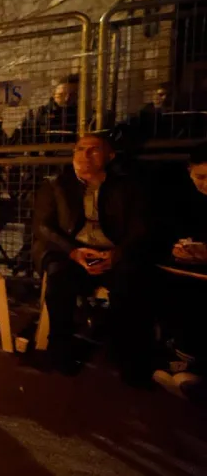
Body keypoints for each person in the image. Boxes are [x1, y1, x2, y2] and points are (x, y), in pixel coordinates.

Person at [32, 134, 156, 385]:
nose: (84, 156)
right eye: (79, 149)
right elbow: (43, 226)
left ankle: (127, 357)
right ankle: (59, 350)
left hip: (111, 254)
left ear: (110, 157)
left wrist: (116, 254)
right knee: (58, 282)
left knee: (132, 282)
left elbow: (140, 228)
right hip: (72, 253)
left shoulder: (126, 187)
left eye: (93, 150)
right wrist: (73, 251)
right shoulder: (56, 185)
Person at [153, 142, 207, 400]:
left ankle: (189, 367)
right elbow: (170, 232)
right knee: (175, 286)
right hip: (192, 270)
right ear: (189, 171)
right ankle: (184, 364)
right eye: (201, 177)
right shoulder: (183, 198)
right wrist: (179, 247)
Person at [19, 74, 81, 144]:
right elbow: (24, 142)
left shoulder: (83, 116)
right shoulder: (36, 115)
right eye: (62, 94)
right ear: (54, 94)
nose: (67, 99)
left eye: (72, 95)